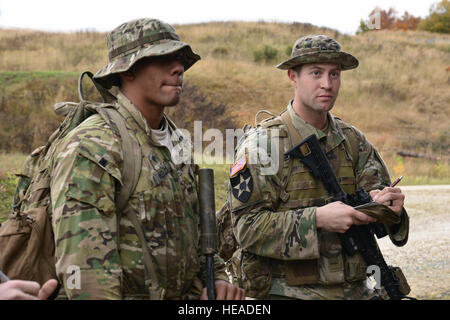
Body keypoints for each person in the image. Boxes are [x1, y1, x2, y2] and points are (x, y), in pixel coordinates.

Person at [49, 18, 244, 300]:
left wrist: (216, 280)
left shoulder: (177, 141)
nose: (178, 68)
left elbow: (197, 239)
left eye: (178, 58)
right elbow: (87, 275)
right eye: (162, 58)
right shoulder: (93, 147)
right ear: (128, 71)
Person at [226, 35, 409, 300]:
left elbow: (382, 207)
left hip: (357, 290)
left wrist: (391, 208)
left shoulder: (353, 141)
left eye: (334, 74)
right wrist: (318, 219)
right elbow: (246, 228)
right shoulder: (263, 146)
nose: (327, 84)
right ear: (293, 77)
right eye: (316, 73)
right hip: (290, 294)